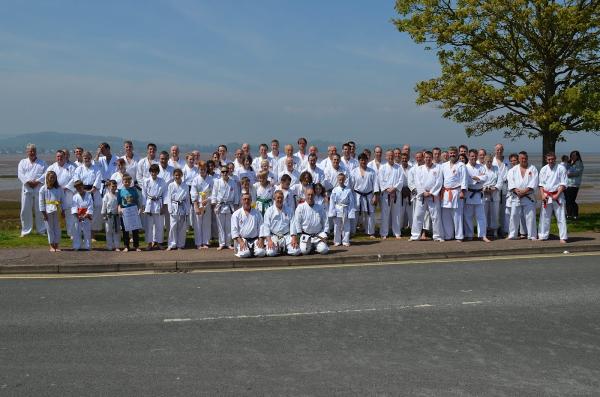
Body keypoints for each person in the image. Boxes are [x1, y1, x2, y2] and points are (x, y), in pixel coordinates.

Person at [410, 151, 443, 241]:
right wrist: (423, 192)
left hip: (433, 196)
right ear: (424, 158)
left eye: (429, 157)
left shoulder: (438, 168)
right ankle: (415, 235)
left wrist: (431, 192)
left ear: (432, 158)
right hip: (422, 196)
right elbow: (417, 182)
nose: (428, 159)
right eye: (426, 157)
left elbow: (439, 182)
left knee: (436, 216)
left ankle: (437, 236)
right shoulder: (419, 169)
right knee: (418, 216)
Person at [70, 151, 103, 237]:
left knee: (95, 210)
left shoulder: (96, 168)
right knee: (82, 211)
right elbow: (76, 180)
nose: (87, 159)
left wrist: (93, 190)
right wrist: (82, 190)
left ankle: (92, 234)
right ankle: (82, 233)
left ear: (91, 158)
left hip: (94, 191)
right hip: (82, 191)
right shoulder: (79, 169)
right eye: (85, 158)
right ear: (82, 158)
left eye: (88, 158)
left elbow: (98, 179)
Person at [507, 151, 538, 240]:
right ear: (519, 159)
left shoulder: (533, 169)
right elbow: (511, 182)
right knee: (514, 216)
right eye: (521, 158)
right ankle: (512, 235)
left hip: (528, 196)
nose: (523, 160)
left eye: (525, 158)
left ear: (527, 158)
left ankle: (532, 235)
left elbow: (534, 183)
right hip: (516, 196)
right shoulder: (512, 170)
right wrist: (516, 191)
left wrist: (524, 191)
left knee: (530, 216)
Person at [44, 149, 75, 237]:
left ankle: (71, 233)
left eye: (61, 156)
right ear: (56, 157)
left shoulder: (71, 167)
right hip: (55, 194)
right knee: (54, 214)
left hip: (67, 194)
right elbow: (47, 179)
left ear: (65, 157)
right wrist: (54, 188)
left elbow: (74, 179)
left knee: (69, 215)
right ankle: (55, 233)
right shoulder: (51, 167)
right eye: (58, 156)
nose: (59, 158)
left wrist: (66, 187)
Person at [18, 143, 47, 237]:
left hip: (39, 188)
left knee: (40, 210)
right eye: (30, 151)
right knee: (25, 210)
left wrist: (37, 181)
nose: (32, 152)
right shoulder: (22, 162)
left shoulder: (42, 163)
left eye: (33, 150)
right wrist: (28, 182)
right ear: (27, 152)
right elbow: (20, 174)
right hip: (27, 188)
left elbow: (46, 174)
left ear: (36, 151)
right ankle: (25, 231)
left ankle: (41, 230)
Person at [260, 190, 301, 256]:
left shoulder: (289, 210)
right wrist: (269, 240)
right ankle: (281, 249)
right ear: (274, 199)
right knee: (270, 253)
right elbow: (266, 227)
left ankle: (284, 249)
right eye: (278, 198)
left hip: (286, 236)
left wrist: (294, 238)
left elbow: (293, 225)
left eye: (281, 198)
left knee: (296, 251)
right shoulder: (269, 211)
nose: (280, 199)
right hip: (274, 236)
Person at [538, 152, 568, 243]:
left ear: (555, 159)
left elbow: (563, 183)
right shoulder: (543, 169)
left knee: (561, 216)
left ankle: (563, 237)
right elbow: (541, 184)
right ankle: (543, 235)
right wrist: (542, 195)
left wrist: (557, 195)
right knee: (544, 216)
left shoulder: (561, 168)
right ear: (546, 160)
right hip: (547, 195)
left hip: (558, 195)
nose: (551, 161)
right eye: (549, 159)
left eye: (552, 159)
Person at [290, 187, 329, 255]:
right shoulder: (300, 207)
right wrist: (299, 234)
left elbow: (325, 221)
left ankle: (315, 246)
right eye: (308, 195)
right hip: (306, 235)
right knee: (304, 251)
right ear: (305, 195)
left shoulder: (320, 207)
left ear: (314, 195)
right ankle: (311, 246)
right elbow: (297, 222)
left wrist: (325, 233)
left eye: (312, 195)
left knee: (324, 250)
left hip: (318, 235)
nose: (310, 197)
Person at [440, 146, 467, 241]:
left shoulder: (461, 165)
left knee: (457, 215)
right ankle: (448, 235)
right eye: (451, 153)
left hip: (456, 192)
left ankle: (459, 236)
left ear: (457, 154)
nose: (452, 154)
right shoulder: (444, 165)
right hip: (446, 193)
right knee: (446, 215)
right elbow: (441, 179)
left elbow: (464, 180)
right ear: (448, 153)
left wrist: (463, 192)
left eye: (454, 153)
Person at [464, 149, 491, 242]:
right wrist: (479, 179)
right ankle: (469, 234)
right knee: (468, 216)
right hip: (469, 194)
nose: (473, 157)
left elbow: (485, 177)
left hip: (479, 194)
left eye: (475, 156)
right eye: (472, 156)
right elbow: (466, 180)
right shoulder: (465, 167)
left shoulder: (481, 167)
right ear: (468, 156)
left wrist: (477, 178)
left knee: (481, 216)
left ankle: (482, 235)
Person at [350, 153, 379, 238]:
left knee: (370, 213)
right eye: (361, 160)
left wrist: (375, 195)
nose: (363, 161)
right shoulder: (354, 171)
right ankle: (352, 231)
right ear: (359, 161)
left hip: (368, 195)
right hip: (357, 195)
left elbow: (375, 184)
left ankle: (370, 232)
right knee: (355, 213)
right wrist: (350, 196)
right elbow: (351, 185)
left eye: (365, 160)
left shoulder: (372, 171)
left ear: (367, 160)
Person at [378, 150, 404, 239]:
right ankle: (384, 233)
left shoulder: (399, 167)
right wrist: (387, 189)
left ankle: (396, 232)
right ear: (386, 157)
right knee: (385, 214)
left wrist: (394, 188)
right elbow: (380, 180)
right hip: (386, 194)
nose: (390, 157)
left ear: (394, 156)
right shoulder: (382, 168)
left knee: (396, 213)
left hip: (396, 193)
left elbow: (401, 180)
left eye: (392, 156)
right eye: (389, 156)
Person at [231, 193, 266, 258]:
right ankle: (249, 250)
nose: (246, 201)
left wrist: (261, 239)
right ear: (241, 201)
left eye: (248, 199)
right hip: (242, 240)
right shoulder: (236, 214)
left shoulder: (257, 213)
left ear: (251, 201)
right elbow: (234, 230)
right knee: (245, 254)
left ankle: (252, 250)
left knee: (261, 253)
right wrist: (240, 241)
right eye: (244, 199)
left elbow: (261, 227)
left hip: (255, 240)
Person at [211, 165, 238, 250]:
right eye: (223, 172)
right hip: (220, 206)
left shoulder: (233, 182)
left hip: (230, 206)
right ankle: (222, 243)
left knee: (229, 225)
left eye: (226, 171)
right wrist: (214, 205)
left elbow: (236, 194)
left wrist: (236, 205)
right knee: (220, 226)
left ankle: (229, 243)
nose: (225, 173)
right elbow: (214, 194)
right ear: (220, 173)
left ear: (229, 172)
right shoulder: (217, 182)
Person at [39, 170, 65, 252]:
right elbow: (41, 202)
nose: (52, 179)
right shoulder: (43, 188)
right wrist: (43, 213)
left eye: (54, 178)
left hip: (58, 209)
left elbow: (63, 200)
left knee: (57, 228)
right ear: (47, 178)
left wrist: (63, 211)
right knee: (49, 228)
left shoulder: (59, 188)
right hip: (48, 210)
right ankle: (51, 245)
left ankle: (57, 245)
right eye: (51, 178)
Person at [143, 163, 167, 250]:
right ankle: (149, 243)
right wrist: (144, 206)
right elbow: (143, 194)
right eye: (152, 172)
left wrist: (164, 206)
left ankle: (159, 242)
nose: (153, 173)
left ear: (158, 172)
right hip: (149, 204)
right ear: (150, 172)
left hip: (159, 204)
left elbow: (165, 194)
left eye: (155, 172)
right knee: (149, 226)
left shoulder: (162, 181)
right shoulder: (146, 181)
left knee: (159, 225)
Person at [328, 173, 356, 246]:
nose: (341, 181)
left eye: (342, 179)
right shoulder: (334, 190)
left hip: (345, 209)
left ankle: (346, 241)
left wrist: (351, 213)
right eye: (340, 179)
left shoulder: (348, 190)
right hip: (337, 209)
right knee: (337, 226)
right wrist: (332, 212)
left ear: (345, 180)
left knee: (346, 226)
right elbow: (332, 202)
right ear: (337, 180)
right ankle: (337, 241)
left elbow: (352, 202)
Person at [191, 161, 213, 249]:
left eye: (204, 169)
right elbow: (193, 192)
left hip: (207, 202)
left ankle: (205, 242)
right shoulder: (196, 179)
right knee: (197, 223)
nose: (202, 171)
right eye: (201, 169)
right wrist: (196, 205)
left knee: (206, 223)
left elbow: (214, 192)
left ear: (207, 169)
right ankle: (198, 243)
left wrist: (208, 199)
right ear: (198, 169)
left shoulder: (211, 179)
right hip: (198, 203)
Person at [117, 173, 142, 252]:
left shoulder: (134, 190)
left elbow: (137, 200)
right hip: (125, 213)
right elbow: (119, 203)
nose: (127, 183)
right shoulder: (120, 191)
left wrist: (140, 208)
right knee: (125, 231)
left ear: (131, 181)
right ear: (122, 181)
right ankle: (126, 246)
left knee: (135, 230)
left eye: (128, 181)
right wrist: (119, 209)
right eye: (125, 181)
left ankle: (136, 246)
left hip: (133, 212)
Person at [166, 168, 190, 250]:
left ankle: (180, 244)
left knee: (181, 227)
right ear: (173, 176)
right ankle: (172, 244)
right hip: (174, 207)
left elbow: (187, 199)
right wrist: (170, 208)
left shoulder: (185, 186)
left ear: (181, 176)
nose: (177, 177)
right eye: (176, 175)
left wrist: (188, 210)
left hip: (182, 207)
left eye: (179, 175)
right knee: (173, 226)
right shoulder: (170, 185)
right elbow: (168, 198)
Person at [482, 155, 502, 238]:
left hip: (494, 193)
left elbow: (500, 181)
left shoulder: (496, 168)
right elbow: (479, 180)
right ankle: (485, 231)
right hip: (484, 194)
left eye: (490, 161)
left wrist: (495, 188)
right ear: (484, 161)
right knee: (484, 214)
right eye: (488, 161)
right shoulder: (482, 169)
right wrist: (484, 188)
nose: (489, 163)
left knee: (495, 213)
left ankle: (495, 231)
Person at [71, 180, 94, 251]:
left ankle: (87, 246)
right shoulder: (75, 197)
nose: (79, 189)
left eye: (80, 187)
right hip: (77, 217)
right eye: (77, 188)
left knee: (87, 231)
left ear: (83, 186)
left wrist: (85, 215)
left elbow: (90, 206)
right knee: (77, 231)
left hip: (86, 216)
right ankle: (77, 246)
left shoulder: (89, 195)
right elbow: (74, 207)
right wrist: (78, 216)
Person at [101, 180, 121, 251]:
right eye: (112, 186)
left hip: (116, 216)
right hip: (108, 216)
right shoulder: (106, 195)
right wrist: (104, 214)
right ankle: (109, 246)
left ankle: (117, 246)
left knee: (117, 231)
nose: (114, 188)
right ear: (109, 186)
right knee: (108, 231)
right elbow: (104, 206)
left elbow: (119, 204)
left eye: (115, 186)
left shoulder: (118, 195)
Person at [565, 150, 584, 220]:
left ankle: (575, 215)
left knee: (572, 200)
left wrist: (567, 174)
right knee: (567, 200)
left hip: (574, 184)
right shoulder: (569, 163)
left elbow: (576, 173)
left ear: (577, 156)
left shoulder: (579, 163)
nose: (572, 157)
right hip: (567, 184)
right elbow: (564, 170)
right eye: (571, 155)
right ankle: (569, 215)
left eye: (574, 155)